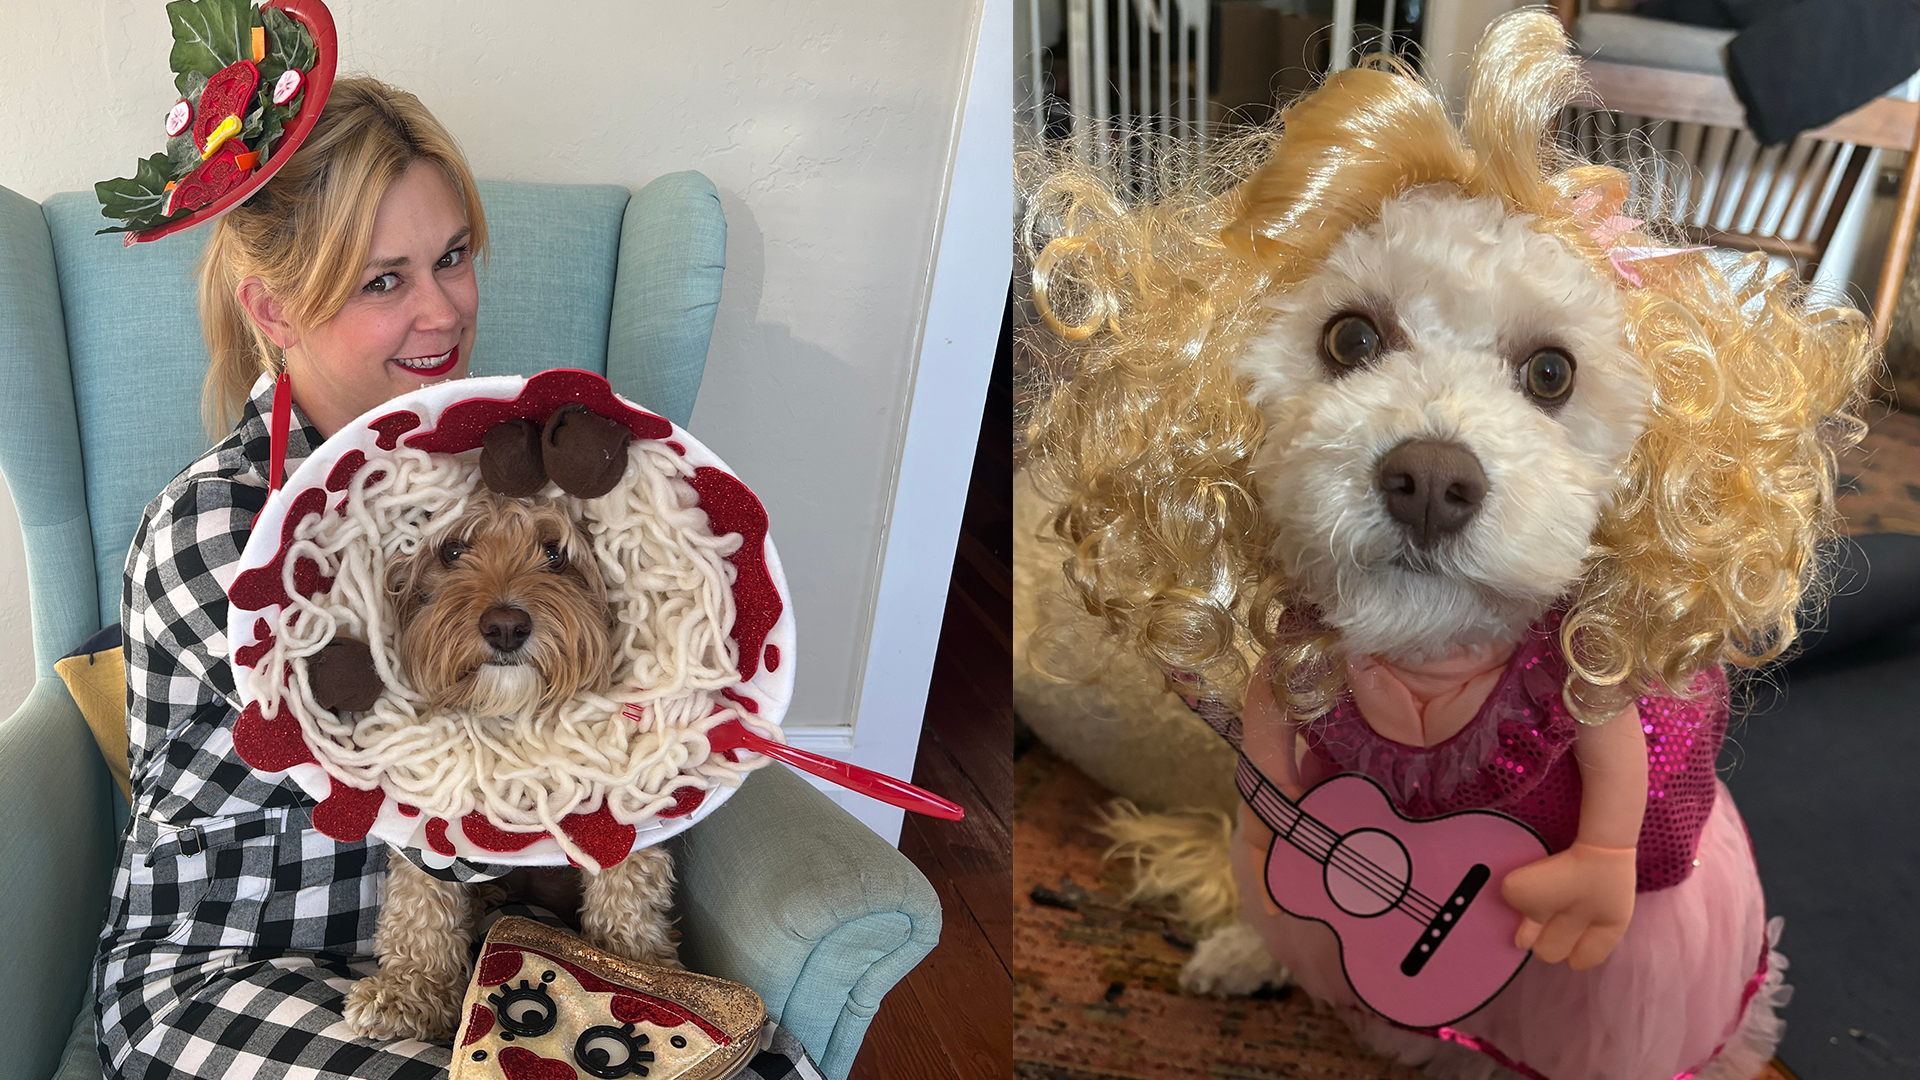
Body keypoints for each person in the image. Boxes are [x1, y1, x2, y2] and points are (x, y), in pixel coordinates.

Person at [95, 77, 820, 1080]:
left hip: (490, 948)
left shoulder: (485, 471)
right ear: (274, 307)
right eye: (382, 281)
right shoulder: (218, 528)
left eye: (451, 258)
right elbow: (443, 788)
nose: (443, 311)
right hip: (235, 965)